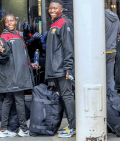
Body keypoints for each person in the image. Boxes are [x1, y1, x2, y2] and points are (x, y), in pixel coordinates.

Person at [0, 13, 34, 137]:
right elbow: (2, 57)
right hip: (13, 74)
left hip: (18, 73)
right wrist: (2, 52)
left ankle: (3, 130)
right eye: (7, 22)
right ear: (5, 24)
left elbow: (20, 55)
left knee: (8, 100)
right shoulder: (4, 36)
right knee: (19, 100)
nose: (10, 23)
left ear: (15, 21)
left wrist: (29, 65)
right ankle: (24, 129)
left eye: (12, 21)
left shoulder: (18, 35)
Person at [45, 0, 75, 138]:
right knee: (63, 97)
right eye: (50, 8)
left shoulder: (64, 22)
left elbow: (69, 48)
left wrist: (69, 69)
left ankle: (74, 127)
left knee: (68, 96)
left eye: (55, 8)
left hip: (63, 68)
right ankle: (70, 125)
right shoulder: (54, 24)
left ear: (61, 9)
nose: (52, 10)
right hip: (56, 69)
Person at [105, 0, 120, 91]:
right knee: (110, 77)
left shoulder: (100, 16)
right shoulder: (115, 16)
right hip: (112, 50)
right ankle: (112, 98)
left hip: (101, 51)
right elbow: (119, 30)